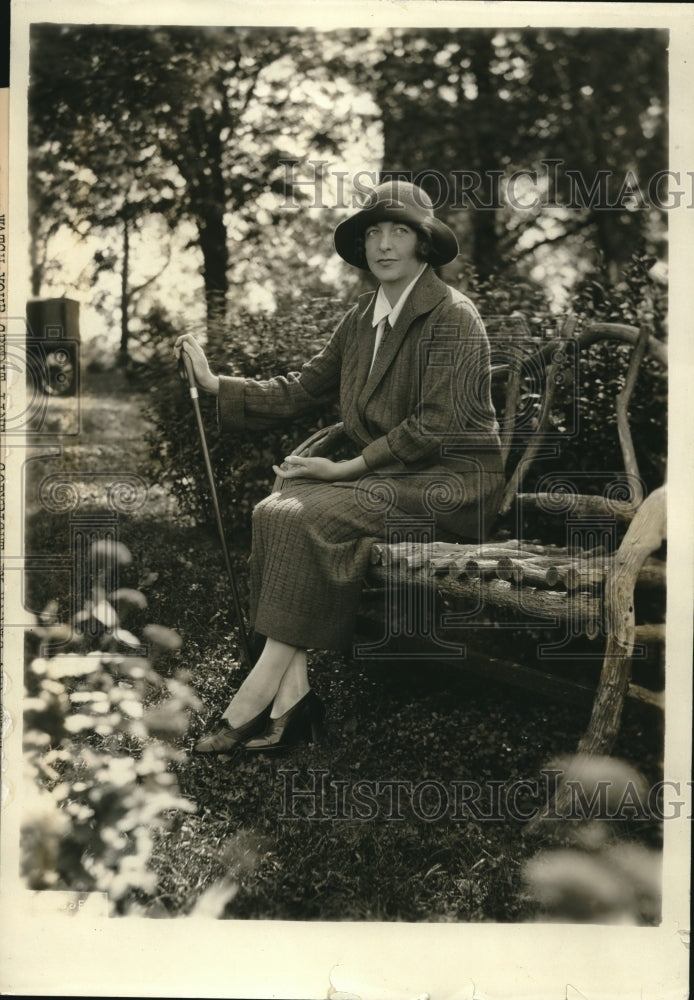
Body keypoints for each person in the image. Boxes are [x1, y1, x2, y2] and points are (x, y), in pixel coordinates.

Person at [174, 180, 504, 755]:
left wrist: (346, 468)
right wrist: (215, 384)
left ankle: (252, 698)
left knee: (308, 514)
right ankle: (294, 698)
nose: (383, 244)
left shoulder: (453, 315)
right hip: (385, 479)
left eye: (399, 230)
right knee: (273, 510)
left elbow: (437, 424)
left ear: (424, 243)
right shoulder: (361, 318)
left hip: (450, 482)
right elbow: (303, 387)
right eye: (373, 232)